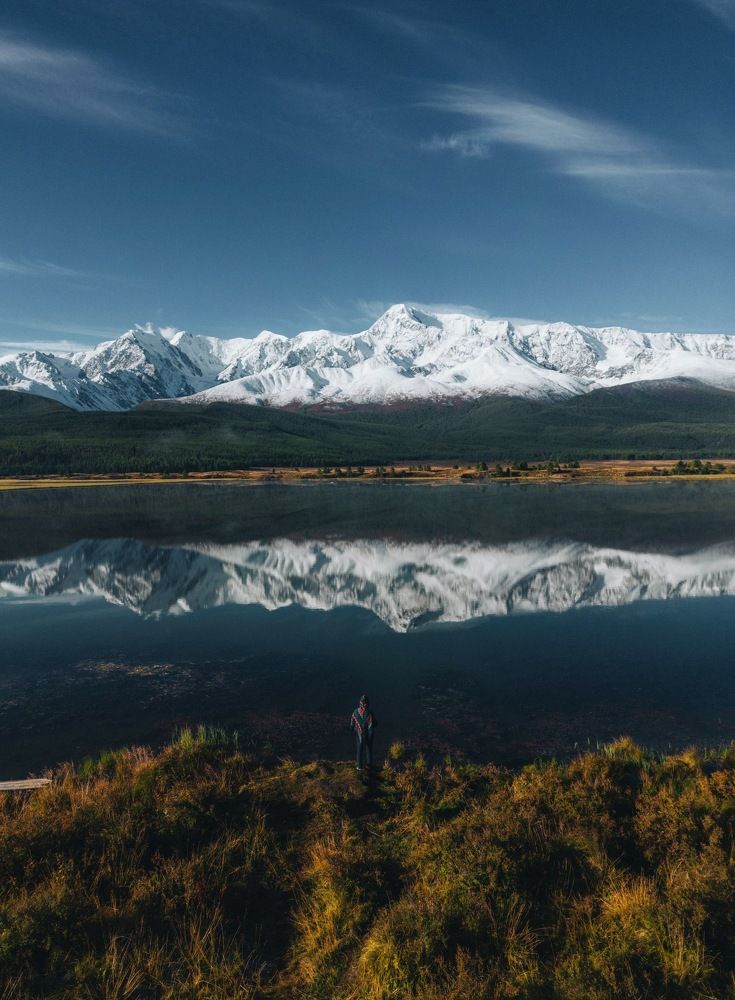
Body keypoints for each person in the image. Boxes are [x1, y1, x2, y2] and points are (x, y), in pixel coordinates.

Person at [350, 694, 377, 770]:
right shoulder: (369, 712)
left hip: (358, 732)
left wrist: (353, 730)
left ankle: (359, 766)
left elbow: (351, 725)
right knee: (369, 748)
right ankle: (369, 765)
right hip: (368, 733)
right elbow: (374, 724)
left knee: (359, 748)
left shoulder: (355, 712)